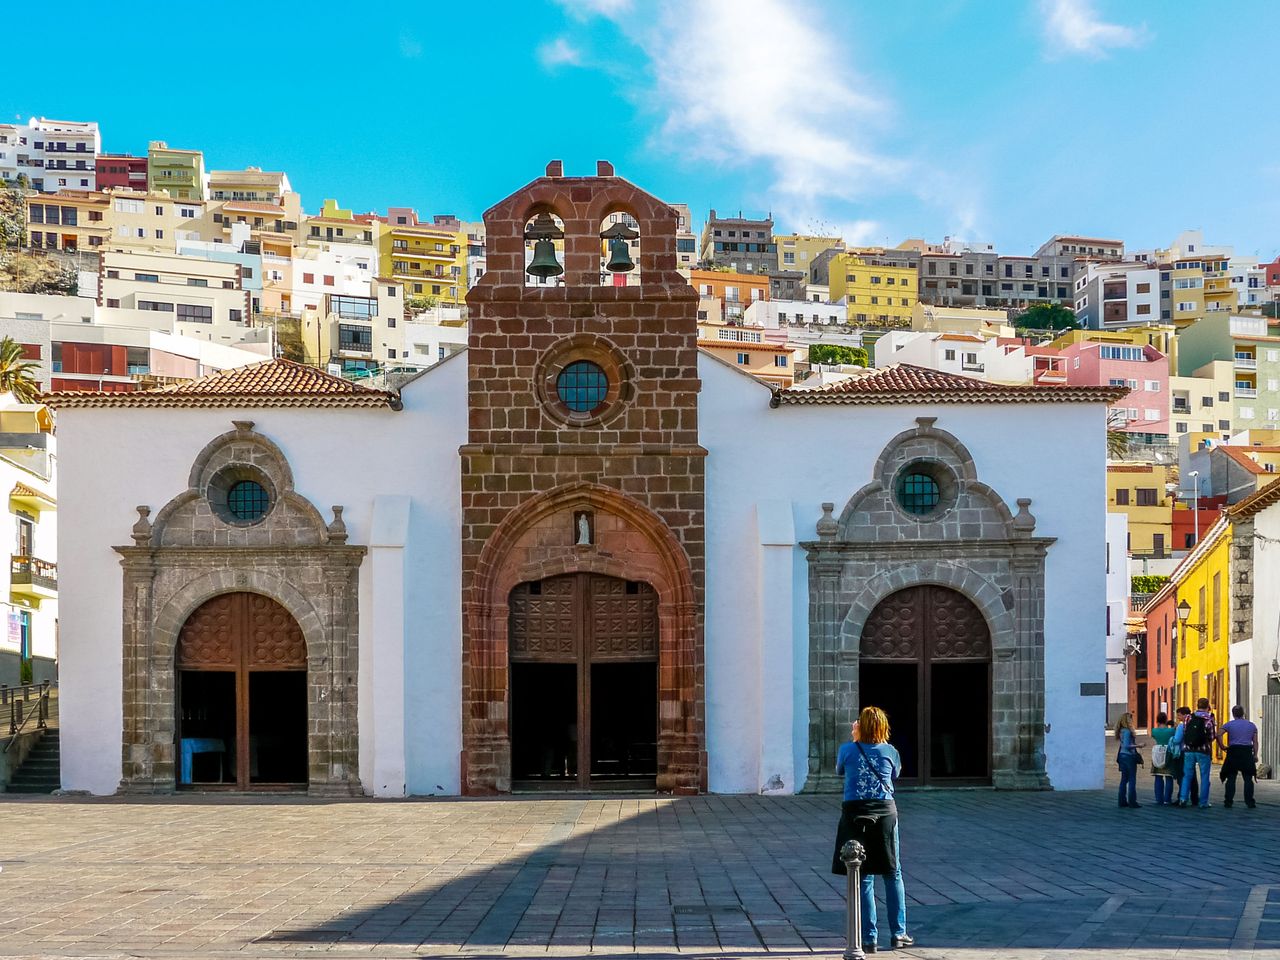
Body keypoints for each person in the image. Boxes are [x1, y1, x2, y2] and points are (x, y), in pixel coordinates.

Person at [833, 707, 912, 953]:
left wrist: (857, 741)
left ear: (861, 726)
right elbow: (895, 774)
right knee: (892, 872)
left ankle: (868, 938)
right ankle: (898, 933)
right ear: (883, 727)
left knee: (862, 873)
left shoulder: (847, 749)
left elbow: (839, 770)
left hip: (855, 813)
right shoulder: (890, 751)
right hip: (884, 813)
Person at [1217, 705, 1259, 809]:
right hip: (1246, 752)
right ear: (1243, 713)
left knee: (1231, 777)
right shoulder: (1251, 725)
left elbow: (1218, 734)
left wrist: (1222, 746)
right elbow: (1255, 742)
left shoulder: (1229, 725)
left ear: (1233, 714)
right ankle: (1250, 802)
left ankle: (1228, 801)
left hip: (1233, 751)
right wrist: (1255, 754)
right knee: (1248, 778)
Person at [1177, 698, 1216, 808]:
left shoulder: (1189, 717)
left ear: (1197, 705)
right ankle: (1203, 802)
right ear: (1208, 706)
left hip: (1188, 750)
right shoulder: (1209, 719)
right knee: (1204, 777)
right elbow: (1212, 736)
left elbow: (1185, 731)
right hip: (1203, 751)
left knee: (1187, 775)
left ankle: (1183, 799)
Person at [1114, 712, 1142, 808]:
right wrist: (1138, 745)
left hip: (1122, 755)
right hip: (1129, 756)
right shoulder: (1127, 731)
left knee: (1124, 779)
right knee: (1132, 779)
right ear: (1127, 720)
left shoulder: (1121, 731)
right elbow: (1127, 745)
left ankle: (1122, 801)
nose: (1132, 721)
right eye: (1130, 719)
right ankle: (1132, 801)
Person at [1149, 712, 1177, 805]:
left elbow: (1153, 736)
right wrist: (1173, 725)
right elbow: (1175, 734)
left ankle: (1158, 799)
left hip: (1157, 753)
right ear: (1166, 720)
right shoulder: (1171, 731)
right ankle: (1167, 799)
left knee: (1158, 776)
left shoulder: (1154, 730)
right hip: (1168, 752)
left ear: (1157, 720)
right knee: (1169, 777)